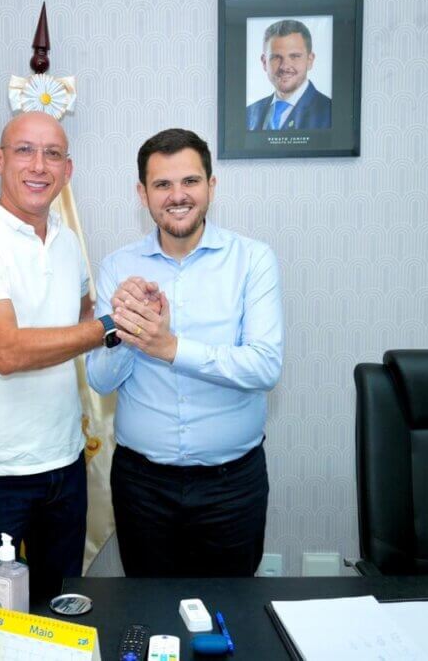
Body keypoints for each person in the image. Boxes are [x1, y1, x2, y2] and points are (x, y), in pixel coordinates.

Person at [0, 111, 121, 585]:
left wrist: (128, 306)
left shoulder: (67, 241)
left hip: (65, 460)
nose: (39, 165)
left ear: (67, 170)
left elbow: (81, 316)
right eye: (24, 151)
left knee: (61, 605)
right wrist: (111, 327)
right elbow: (8, 352)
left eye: (52, 154)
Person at [86, 128, 283, 577]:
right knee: (148, 609)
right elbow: (99, 379)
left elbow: (264, 366)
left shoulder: (253, 260)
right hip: (142, 486)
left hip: (232, 485)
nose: (177, 196)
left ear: (211, 186)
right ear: (143, 194)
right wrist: (130, 328)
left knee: (230, 609)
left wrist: (170, 347)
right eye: (162, 184)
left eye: (190, 181)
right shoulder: (118, 268)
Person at [246, 19, 332, 131]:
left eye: (294, 56)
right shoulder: (248, 114)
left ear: (310, 60)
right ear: (264, 62)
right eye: (276, 57)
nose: (284, 66)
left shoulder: (330, 113)